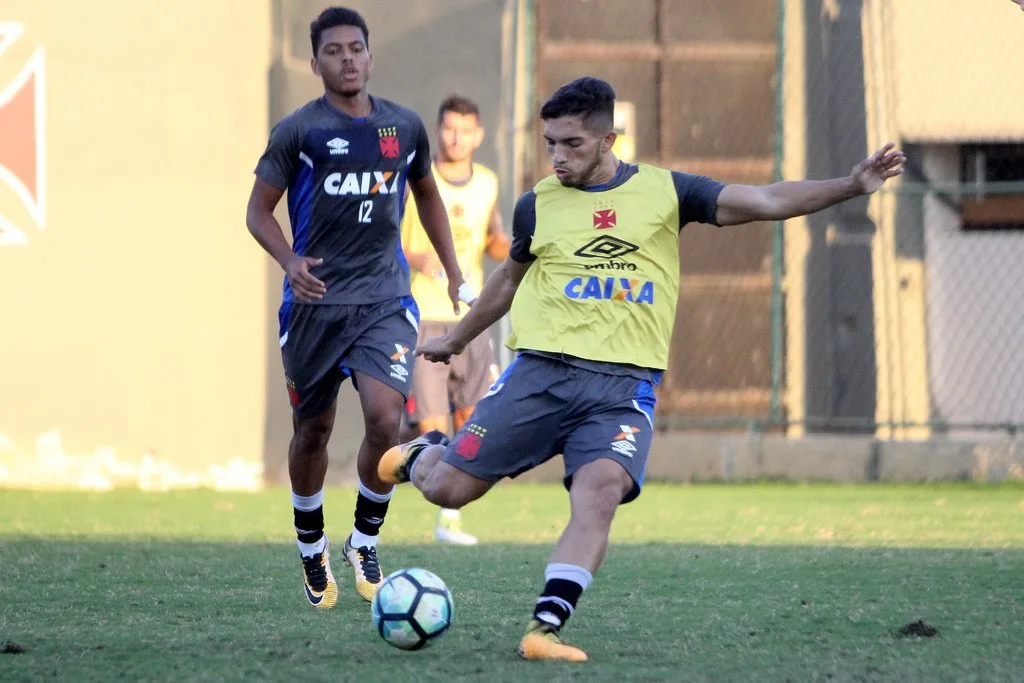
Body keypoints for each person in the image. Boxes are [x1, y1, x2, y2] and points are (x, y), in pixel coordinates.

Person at [378, 76, 905, 660]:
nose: (558, 156)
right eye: (550, 142)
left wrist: (853, 186)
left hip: (622, 388)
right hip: (540, 377)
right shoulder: (537, 204)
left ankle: (544, 630)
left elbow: (767, 200)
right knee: (450, 490)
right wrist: (455, 338)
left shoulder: (666, 192)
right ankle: (422, 453)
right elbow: (509, 281)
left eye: (572, 144)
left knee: (601, 493)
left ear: (608, 139)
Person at [245, 6, 465, 610]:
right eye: (334, 50)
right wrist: (290, 261)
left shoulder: (404, 126)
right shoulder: (300, 132)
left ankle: (363, 538)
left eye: (357, 48)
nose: (348, 58)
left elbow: (427, 194)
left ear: (370, 55)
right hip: (314, 307)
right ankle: (311, 545)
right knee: (312, 430)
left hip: (383, 300)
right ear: (316, 62)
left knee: (383, 417)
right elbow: (258, 212)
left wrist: (452, 270)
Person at [400, 95, 510, 546]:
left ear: (478, 135)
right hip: (425, 314)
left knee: (470, 418)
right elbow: (386, 238)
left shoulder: (487, 183)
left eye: (465, 129)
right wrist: (414, 255)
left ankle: (442, 500)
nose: (456, 136)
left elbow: (495, 241)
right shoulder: (416, 180)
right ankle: (446, 516)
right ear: (438, 129)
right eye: (449, 128)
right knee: (431, 420)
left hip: (472, 318)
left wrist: (516, 245)